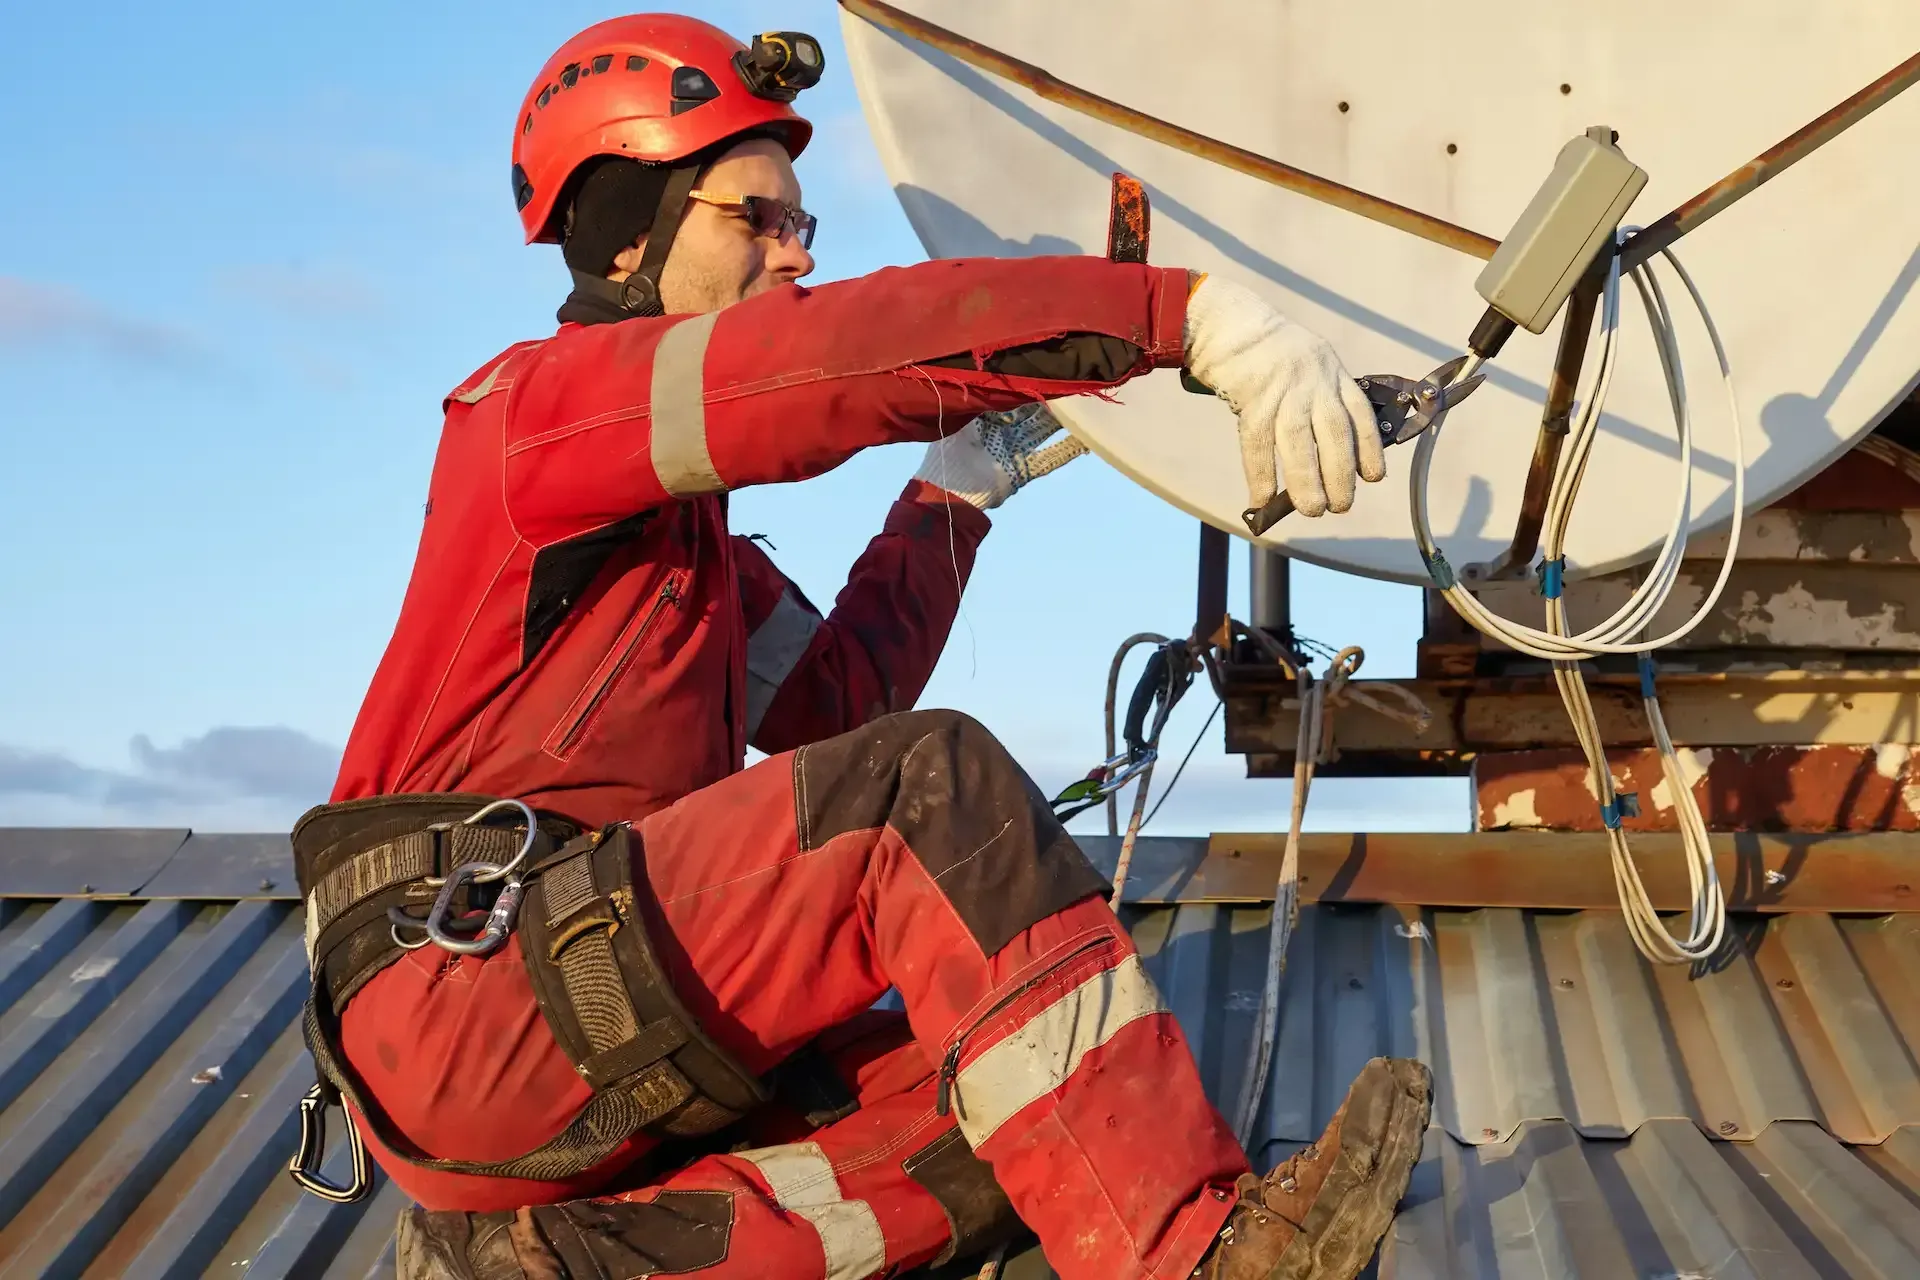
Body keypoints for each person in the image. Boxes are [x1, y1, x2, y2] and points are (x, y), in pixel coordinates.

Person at [289, 15, 1428, 1280]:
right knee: (925, 785)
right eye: (754, 219)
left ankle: (545, 1257)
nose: (793, 256)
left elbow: (836, 701)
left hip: (562, 1028)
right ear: (627, 234)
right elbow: (823, 367)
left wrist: (959, 490)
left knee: (1009, 1103)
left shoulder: (687, 562)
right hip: (470, 988)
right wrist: (1180, 317)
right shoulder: (538, 410)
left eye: (803, 226)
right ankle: (1196, 1260)